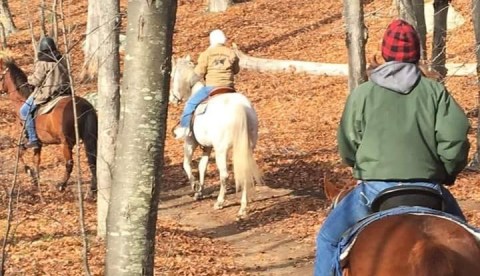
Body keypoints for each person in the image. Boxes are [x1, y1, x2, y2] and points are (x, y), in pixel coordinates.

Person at [314, 19, 470, 276]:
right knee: (465, 238)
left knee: (328, 240)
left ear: (385, 52)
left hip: (374, 191)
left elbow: (347, 143)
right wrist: (447, 171)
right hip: (428, 188)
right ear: (416, 53)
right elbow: (455, 138)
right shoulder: (435, 92)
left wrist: (360, 164)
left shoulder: (362, 94)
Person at [173, 29, 240, 139]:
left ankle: (184, 129)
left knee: (190, 104)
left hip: (211, 87)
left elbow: (199, 72)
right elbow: (236, 70)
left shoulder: (206, 54)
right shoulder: (231, 53)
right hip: (229, 87)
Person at [20, 36, 71, 149]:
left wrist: (29, 79)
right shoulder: (62, 59)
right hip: (64, 92)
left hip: (48, 93)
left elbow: (37, 80)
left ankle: (33, 139)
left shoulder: (43, 62)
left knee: (24, 110)